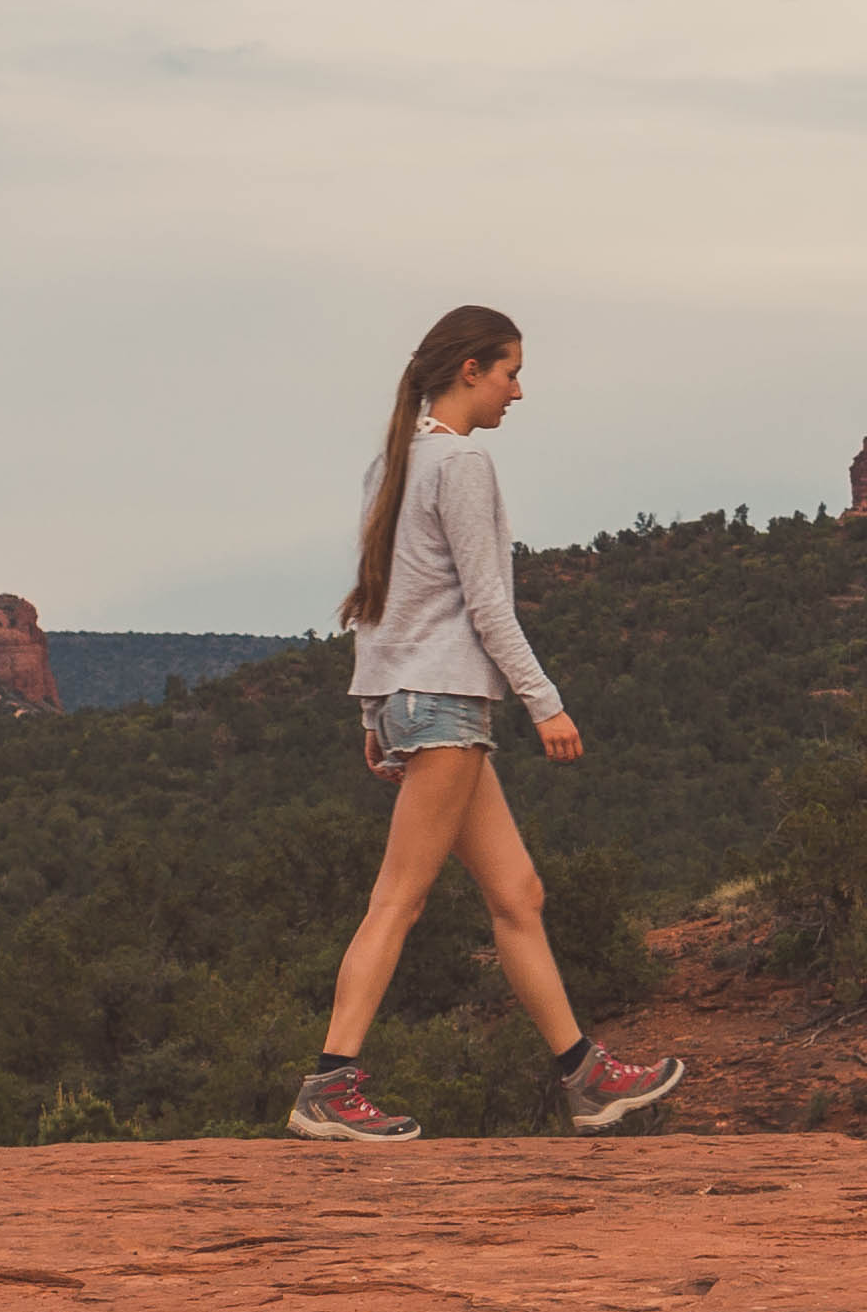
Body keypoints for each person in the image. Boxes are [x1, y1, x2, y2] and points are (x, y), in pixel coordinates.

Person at [291, 304, 685, 1144]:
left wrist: (374, 709)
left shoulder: (392, 464)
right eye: (510, 370)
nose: (519, 389)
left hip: (416, 700)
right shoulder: (461, 464)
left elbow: (376, 602)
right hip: (443, 703)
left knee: (517, 893)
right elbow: (487, 608)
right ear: (469, 368)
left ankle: (585, 1078)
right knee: (400, 898)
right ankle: (330, 1083)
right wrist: (548, 704)